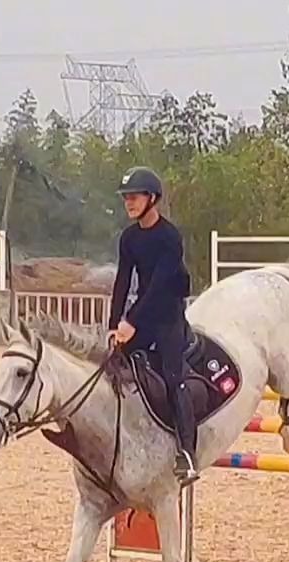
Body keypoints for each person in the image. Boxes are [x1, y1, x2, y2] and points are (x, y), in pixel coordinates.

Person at [106, 166, 199, 482]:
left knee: (173, 377)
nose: (128, 204)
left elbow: (160, 286)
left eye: (134, 197)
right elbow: (123, 281)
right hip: (143, 314)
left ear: (152, 198)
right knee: (113, 365)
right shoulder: (129, 238)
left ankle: (187, 452)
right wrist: (113, 324)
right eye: (126, 198)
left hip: (168, 315)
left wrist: (130, 322)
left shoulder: (170, 237)